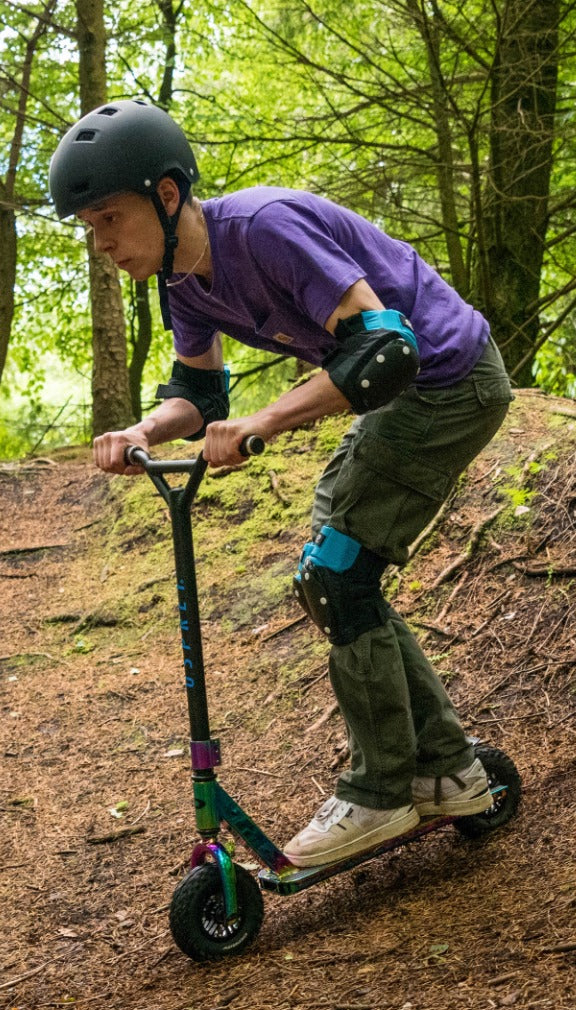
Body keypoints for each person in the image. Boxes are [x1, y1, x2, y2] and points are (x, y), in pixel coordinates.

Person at [50, 100, 513, 868]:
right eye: (88, 228)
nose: (100, 243)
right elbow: (198, 397)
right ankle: (450, 770)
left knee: (338, 576)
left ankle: (384, 791)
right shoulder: (181, 281)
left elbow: (385, 347)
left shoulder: (263, 229)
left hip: (448, 382)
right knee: (339, 575)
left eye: (106, 218)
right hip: (405, 396)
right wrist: (143, 432)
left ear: (166, 196)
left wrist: (265, 422)